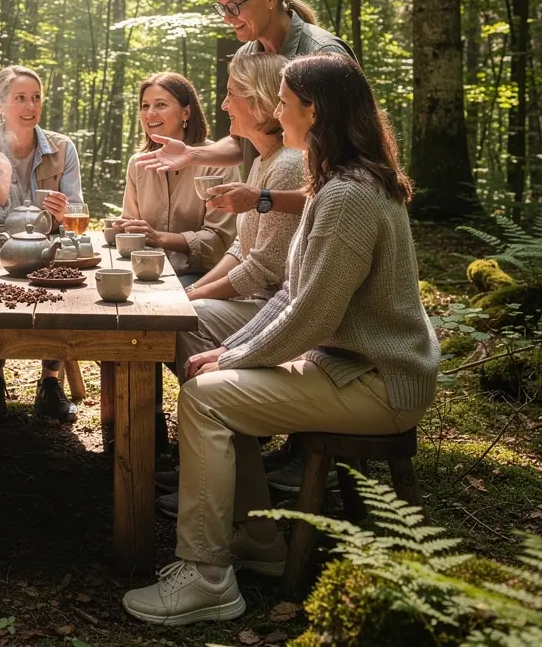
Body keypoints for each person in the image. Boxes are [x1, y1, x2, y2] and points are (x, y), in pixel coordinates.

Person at [122, 53, 440, 626]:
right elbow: (293, 295)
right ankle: (259, 541)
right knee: (217, 384)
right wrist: (232, 352)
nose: (275, 112)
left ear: (312, 112)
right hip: (344, 365)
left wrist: (234, 352)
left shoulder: (348, 195)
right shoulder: (336, 183)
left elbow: (312, 312)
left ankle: (207, 577)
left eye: (284, 103)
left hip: (378, 381)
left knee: (205, 398)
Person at [154, 55, 304, 514]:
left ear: (259, 104)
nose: (222, 105)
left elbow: (261, 270)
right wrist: (189, 294)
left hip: (274, 306)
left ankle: (221, 453)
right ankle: (210, 458)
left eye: (231, 95)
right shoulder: (262, 163)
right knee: (180, 315)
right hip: (255, 298)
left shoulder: (288, 167)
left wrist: (191, 297)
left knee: (181, 323)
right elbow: (239, 250)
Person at [135, 0, 354, 219]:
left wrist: (262, 198)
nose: (227, 17)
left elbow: (345, 173)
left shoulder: (322, 53)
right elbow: (243, 143)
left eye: (234, 6)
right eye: (222, 7)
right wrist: (191, 154)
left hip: (324, 216)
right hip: (268, 211)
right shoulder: (245, 56)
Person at [0, 65, 82, 421]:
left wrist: (63, 213)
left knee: (66, 281)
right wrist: (1, 181)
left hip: (50, 249)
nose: (31, 106)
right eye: (20, 99)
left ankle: (50, 381)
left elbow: (76, 209)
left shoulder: (62, 148)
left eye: (36, 97)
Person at [117, 71, 237, 278]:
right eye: (145, 106)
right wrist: (124, 228)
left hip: (200, 275)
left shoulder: (217, 160)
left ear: (186, 113)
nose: (150, 113)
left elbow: (220, 241)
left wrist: (159, 238)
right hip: (144, 271)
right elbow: (130, 225)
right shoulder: (138, 163)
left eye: (161, 105)